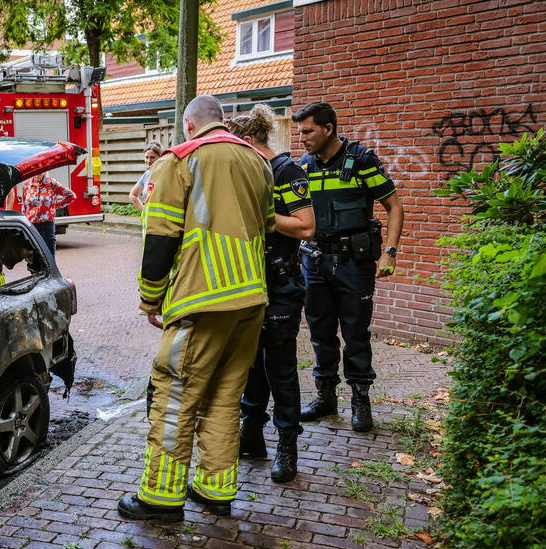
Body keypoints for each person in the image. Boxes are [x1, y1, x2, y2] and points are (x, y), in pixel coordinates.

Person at [117, 95, 275, 522]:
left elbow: (160, 238)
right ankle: (215, 489)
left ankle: (161, 497)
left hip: (201, 298)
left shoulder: (179, 161)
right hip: (250, 298)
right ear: (221, 122)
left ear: (189, 124)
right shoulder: (259, 162)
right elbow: (267, 225)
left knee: (174, 394)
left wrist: (151, 299)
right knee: (225, 395)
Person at [292, 102, 404, 432]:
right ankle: (326, 397)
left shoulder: (361, 160)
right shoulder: (304, 165)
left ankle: (360, 400)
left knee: (356, 334)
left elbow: (394, 206)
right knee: (320, 333)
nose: (302, 139)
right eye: (300, 132)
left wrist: (390, 252)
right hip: (314, 262)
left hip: (354, 263)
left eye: (308, 131)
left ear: (329, 129)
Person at [226, 105, 315, 483]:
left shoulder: (287, 172)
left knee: (279, 366)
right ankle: (252, 435)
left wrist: (263, 216)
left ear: (248, 142)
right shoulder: (250, 172)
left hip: (281, 286)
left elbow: (306, 227)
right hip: (250, 284)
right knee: (250, 363)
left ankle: (287, 444)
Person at [20, 172, 75, 255]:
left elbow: (71, 195)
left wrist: (56, 205)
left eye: (40, 172)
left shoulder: (52, 183)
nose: (37, 174)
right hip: (31, 225)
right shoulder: (26, 185)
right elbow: (24, 206)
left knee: (49, 255)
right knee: (34, 255)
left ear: (44, 171)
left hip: (47, 224)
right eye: (36, 171)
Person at [129, 141, 163, 213]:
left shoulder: (167, 174)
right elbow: (132, 195)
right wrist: (144, 212)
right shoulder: (147, 174)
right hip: (149, 219)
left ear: (160, 157)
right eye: (146, 157)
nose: (148, 160)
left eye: (152, 157)